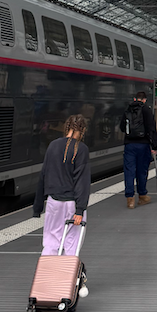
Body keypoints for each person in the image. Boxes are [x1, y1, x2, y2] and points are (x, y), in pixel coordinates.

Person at [33, 115, 90, 294]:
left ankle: (45, 284)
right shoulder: (81, 149)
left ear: (66, 128)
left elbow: (43, 175)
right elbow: (82, 182)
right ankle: (64, 286)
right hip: (73, 205)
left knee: (50, 243)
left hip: (53, 203)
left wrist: (37, 207)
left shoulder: (52, 146)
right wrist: (80, 210)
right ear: (83, 131)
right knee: (71, 245)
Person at [119, 89, 157, 207]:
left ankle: (130, 199)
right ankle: (142, 196)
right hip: (143, 145)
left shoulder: (128, 109)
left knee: (129, 171)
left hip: (129, 145)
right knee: (142, 171)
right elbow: (151, 129)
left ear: (135, 99)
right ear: (145, 100)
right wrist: (154, 146)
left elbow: (122, 127)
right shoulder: (146, 109)